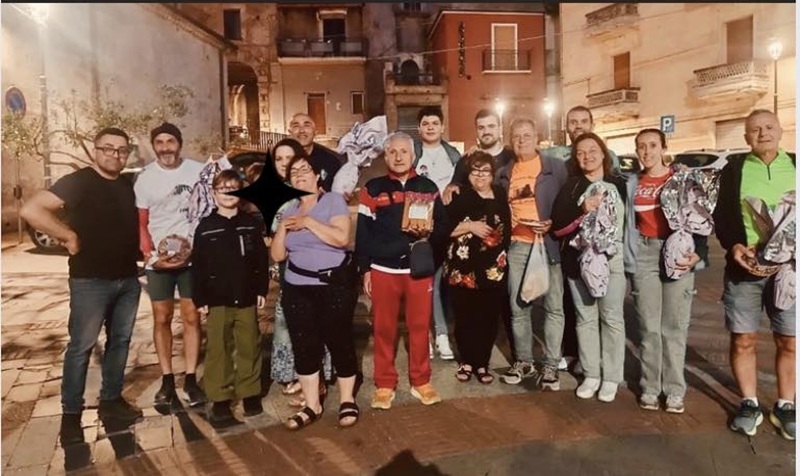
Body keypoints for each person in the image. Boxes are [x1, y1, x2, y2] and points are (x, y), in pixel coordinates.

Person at [21, 127, 143, 445]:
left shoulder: (126, 185)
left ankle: (111, 401)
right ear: (96, 150)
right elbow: (31, 209)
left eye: (122, 150)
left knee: (120, 343)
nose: (115, 155)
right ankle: (71, 416)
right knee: (81, 348)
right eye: (108, 148)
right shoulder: (79, 182)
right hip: (90, 281)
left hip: (127, 279)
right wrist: (68, 236)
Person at [713, 109, 795, 440]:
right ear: (746, 137)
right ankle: (749, 403)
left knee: (789, 339)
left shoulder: (795, 165)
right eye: (755, 129)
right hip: (745, 267)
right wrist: (733, 245)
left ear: (781, 131)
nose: (763, 133)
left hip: (789, 271)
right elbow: (720, 216)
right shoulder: (734, 170)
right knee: (743, 338)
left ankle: (786, 405)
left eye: (769, 127)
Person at [356, 131, 447, 409]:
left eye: (403, 152)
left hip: (417, 270)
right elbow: (363, 233)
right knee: (384, 329)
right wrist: (365, 269)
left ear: (413, 155)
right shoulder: (372, 188)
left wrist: (429, 242)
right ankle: (385, 383)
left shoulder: (428, 187)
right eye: (392, 152)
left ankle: (421, 381)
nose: (398, 157)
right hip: (383, 269)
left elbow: (443, 226)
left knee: (419, 327)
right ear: (385, 156)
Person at [270, 155, 360, 430]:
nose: (299, 174)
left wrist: (308, 222)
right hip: (297, 288)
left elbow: (341, 238)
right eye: (293, 172)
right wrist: (283, 227)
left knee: (339, 341)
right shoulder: (289, 209)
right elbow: (278, 254)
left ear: (317, 175)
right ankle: (312, 405)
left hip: (333, 287)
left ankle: (347, 400)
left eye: (304, 169)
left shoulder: (332, 200)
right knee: (304, 346)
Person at [628, 129, 701, 414]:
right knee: (648, 327)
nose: (647, 151)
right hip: (644, 252)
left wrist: (699, 253)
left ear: (663, 148)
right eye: (641, 146)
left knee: (674, 326)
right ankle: (650, 387)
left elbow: (700, 215)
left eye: (652, 145)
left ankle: (673, 390)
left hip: (676, 251)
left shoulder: (680, 178)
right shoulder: (633, 182)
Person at [551, 132, 628, 402]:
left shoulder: (620, 183)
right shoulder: (572, 187)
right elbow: (557, 225)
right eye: (581, 152)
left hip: (612, 259)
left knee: (612, 319)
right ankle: (591, 373)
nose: (587, 156)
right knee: (585, 319)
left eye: (592, 150)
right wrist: (582, 208)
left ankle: (612, 376)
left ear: (603, 153)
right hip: (580, 261)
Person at [134, 122, 207, 407]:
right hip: (160, 262)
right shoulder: (145, 179)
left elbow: (207, 209)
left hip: (193, 259)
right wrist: (149, 255)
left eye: (170, 141)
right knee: (162, 318)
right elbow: (142, 223)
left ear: (179, 144)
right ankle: (166, 380)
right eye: (160, 142)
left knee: (191, 318)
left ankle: (190, 378)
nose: (165, 147)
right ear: (154, 146)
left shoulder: (197, 171)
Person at [191, 169, 269, 426]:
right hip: (217, 298)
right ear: (214, 194)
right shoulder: (205, 227)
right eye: (222, 189)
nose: (228, 193)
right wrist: (200, 297)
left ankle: (250, 393)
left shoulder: (250, 224)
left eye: (233, 188)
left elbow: (260, 260)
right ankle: (220, 397)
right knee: (218, 348)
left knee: (249, 345)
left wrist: (261, 289)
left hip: (246, 295)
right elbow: (198, 266)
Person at [496, 118, 568, 388]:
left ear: (537, 137)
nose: (521, 140)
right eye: (516, 136)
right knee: (518, 307)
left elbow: (567, 203)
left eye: (527, 135)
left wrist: (553, 223)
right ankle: (524, 360)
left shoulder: (555, 167)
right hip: (517, 244)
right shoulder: (504, 173)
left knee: (553, 307)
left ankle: (551, 365)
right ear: (510, 140)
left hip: (547, 244)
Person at [267, 138, 334, 405]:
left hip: (312, 268)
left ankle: (316, 380)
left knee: (311, 323)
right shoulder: (273, 194)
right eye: (279, 159)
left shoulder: (310, 192)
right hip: (286, 265)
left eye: (289, 158)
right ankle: (297, 374)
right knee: (290, 322)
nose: (284, 164)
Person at [443, 151, 511, 384]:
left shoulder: (500, 194)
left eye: (485, 171)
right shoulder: (458, 195)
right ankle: (467, 361)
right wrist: (470, 226)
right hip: (463, 267)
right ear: (467, 173)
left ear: (492, 174)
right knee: (465, 317)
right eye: (475, 170)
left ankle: (482, 363)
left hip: (493, 267)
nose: (480, 176)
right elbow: (442, 228)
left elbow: (506, 226)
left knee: (489, 318)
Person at [412, 105, 462, 361]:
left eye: (434, 123)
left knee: (443, 285)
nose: (430, 127)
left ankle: (442, 333)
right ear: (419, 128)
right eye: (425, 123)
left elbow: (461, 185)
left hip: (448, 227)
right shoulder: (412, 153)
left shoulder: (453, 155)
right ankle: (427, 336)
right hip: (419, 226)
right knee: (424, 283)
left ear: (442, 127)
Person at [287, 113, 343, 192]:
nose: (302, 130)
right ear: (290, 133)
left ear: (315, 132)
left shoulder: (331, 161)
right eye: (296, 126)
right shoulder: (281, 161)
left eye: (307, 125)